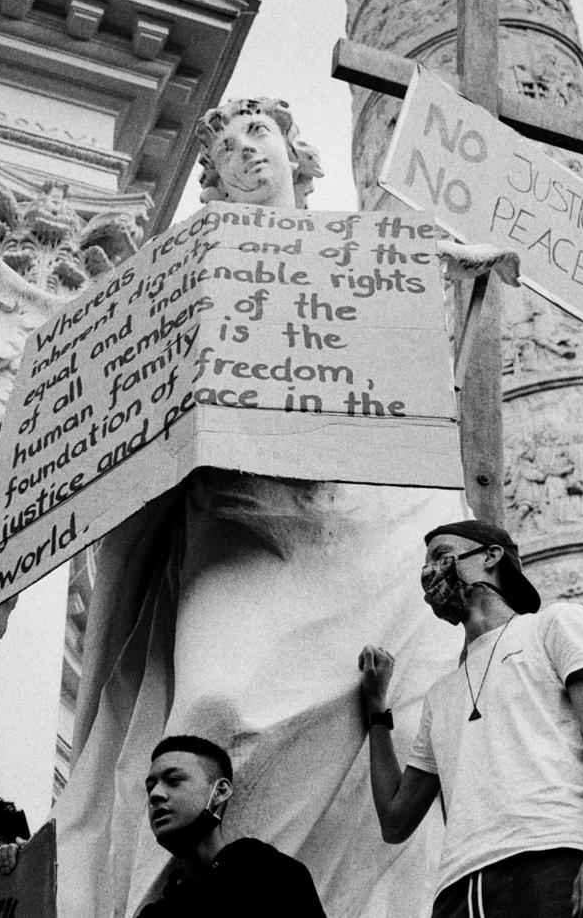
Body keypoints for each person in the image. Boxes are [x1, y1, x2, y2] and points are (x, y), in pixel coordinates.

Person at [51, 97, 467, 918]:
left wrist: (462, 275)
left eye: (261, 135)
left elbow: (415, 358)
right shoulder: (195, 263)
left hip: (355, 520)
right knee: (215, 702)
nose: (247, 153)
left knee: (388, 709)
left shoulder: (364, 255)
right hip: (234, 524)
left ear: (296, 152)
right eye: (229, 148)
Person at [358, 519, 583, 918]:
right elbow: (395, 821)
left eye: (440, 555)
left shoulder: (554, 625)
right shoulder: (441, 692)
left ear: (491, 556)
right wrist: (377, 710)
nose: (428, 572)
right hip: (457, 888)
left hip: (551, 855)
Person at [137, 735, 326, 917]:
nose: (155, 795)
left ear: (220, 791)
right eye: (150, 787)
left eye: (174, 781)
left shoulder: (274, 878)